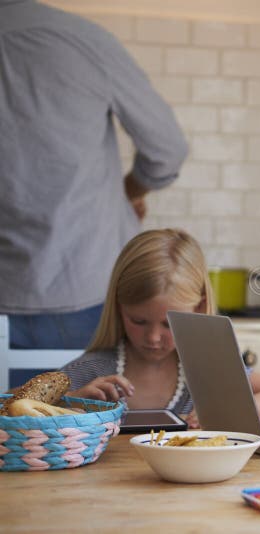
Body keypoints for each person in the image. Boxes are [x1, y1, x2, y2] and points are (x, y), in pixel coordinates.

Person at [0, 0, 189, 350]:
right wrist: (129, 192)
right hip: (89, 289)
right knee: (100, 405)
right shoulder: (82, 40)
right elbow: (167, 150)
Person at [60, 229, 260, 426]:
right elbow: (22, 402)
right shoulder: (94, 370)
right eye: (139, 321)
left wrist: (229, 412)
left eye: (169, 323)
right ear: (118, 307)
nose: (153, 337)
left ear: (200, 307)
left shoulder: (208, 370)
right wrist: (69, 403)